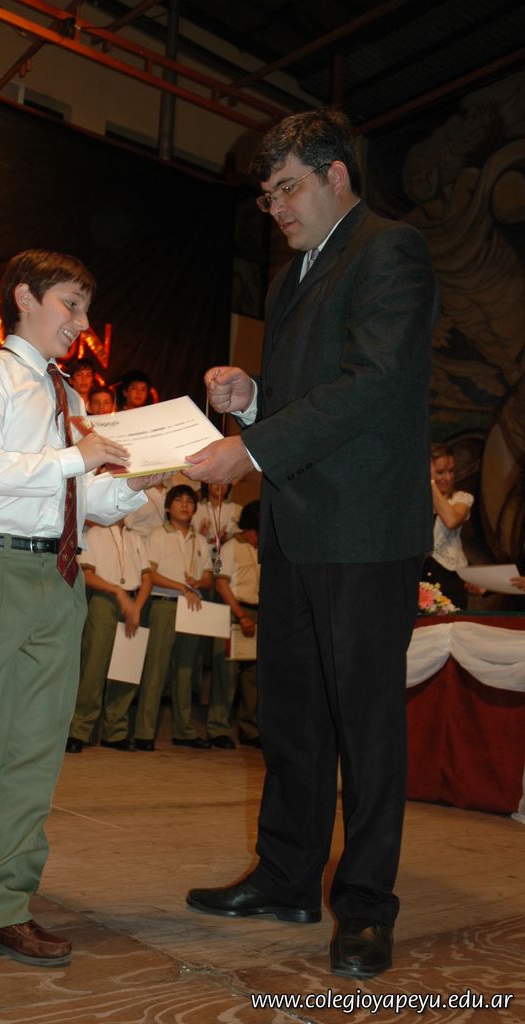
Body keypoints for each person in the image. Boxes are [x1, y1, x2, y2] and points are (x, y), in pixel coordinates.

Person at [184, 109, 439, 980]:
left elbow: (372, 384)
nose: (276, 209)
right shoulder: (292, 276)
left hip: (363, 531)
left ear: (336, 175)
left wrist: (251, 449)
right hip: (297, 528)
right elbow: (309, 394)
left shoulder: (390, 251)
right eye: (266, 197)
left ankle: (365, 906)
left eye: (287, 188)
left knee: (365, 725)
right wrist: (253, 396)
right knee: (291, 715)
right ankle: (286, 877)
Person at [0, 249, 164, 968]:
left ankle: (1, 900)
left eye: (86, 309)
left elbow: (86, 498)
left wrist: (138, 481)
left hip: (59, 578)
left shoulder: (71, 401)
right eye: (72, 304)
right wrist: (75, 458)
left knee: (35, 748)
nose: (83, 323)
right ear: (26, 298)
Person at [133, 484, 213, 751]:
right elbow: (151, 574)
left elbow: (210, 578)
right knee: (155, 669)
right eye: (179, 500)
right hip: (164, 604)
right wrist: (181, 586)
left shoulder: (200, 540)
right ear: (168, 507)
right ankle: (144, 732)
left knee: (186, 670)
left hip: (193, 607)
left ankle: (184, 731)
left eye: (190, 501)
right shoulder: (158, 534)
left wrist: (197, 583)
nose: (185, 505)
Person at [66, 518, 151, 753]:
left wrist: (137, 606)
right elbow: (87, 575)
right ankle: (79, 729)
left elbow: (147, 578)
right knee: (94, 666)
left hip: (133, 603)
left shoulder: (136, 538)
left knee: (125, 669)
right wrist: (118, 592)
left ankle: (116, 731)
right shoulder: (94, 534)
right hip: (104, 599)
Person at [206, 500, 260, 749]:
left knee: (253, 675)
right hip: (234, 612)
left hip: (258, 613)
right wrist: (241, 615)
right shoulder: (229, 548)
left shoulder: (262, 548)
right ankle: (218, 727)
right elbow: (220, 584)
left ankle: (250, 728)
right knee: (226, 673)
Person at [423, 443, 474, 609]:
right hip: (419, 576)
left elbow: (451, 521)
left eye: (451, 471)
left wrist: (431, 483)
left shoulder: (461, 498)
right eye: (440, 472)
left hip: (449, 580)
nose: (447, 478)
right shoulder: (416, 503)